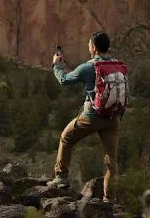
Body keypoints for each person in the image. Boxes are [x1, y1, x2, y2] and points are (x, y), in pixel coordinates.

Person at [47, 31, 122, 203]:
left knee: (66, 138)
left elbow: (64, 80)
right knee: (111, 160)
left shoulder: (88, 67)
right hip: (113, 117)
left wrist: (56, 66)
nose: (88, 47)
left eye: (89, 44)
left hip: (93, 115)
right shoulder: (116, 64)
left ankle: (61, 178)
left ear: (94, 48)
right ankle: (109, 199)